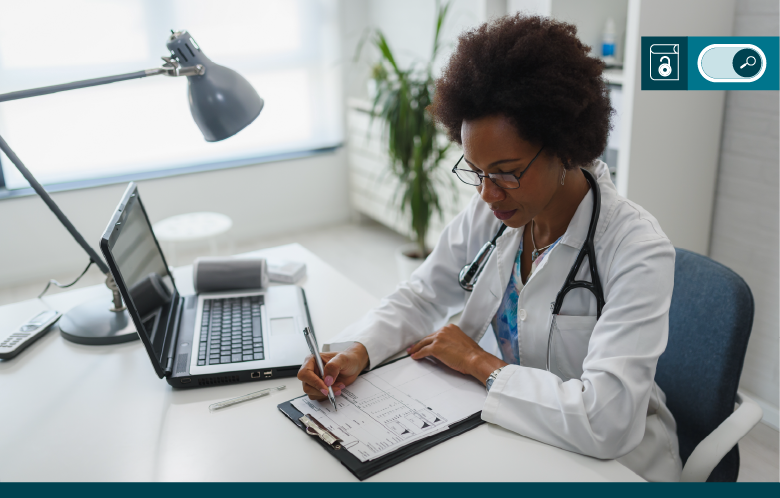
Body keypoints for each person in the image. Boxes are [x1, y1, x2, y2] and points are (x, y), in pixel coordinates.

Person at [298, 14, 682, 482]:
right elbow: (423, 295)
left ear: (564, 147)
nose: (487, 193)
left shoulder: (636, 249)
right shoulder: (498, 213)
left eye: (506, 172)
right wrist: (359, 349)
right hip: (517, 434)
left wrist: (479, 362)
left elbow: (606, 421)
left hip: (615, 466)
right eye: (477, 171)